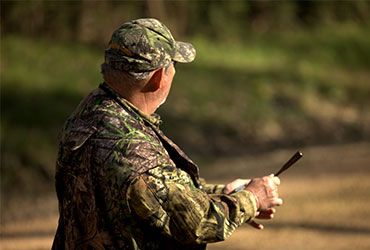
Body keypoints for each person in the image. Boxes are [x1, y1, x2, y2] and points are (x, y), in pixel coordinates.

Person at [52, 18, 283, 250]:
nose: (174, 72)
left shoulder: (90, 111)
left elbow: (152, 194)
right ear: (158, 78)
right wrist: (252, 198)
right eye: (172, 65)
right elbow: (196, 222)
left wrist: (224, 194)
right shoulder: (133, 150)